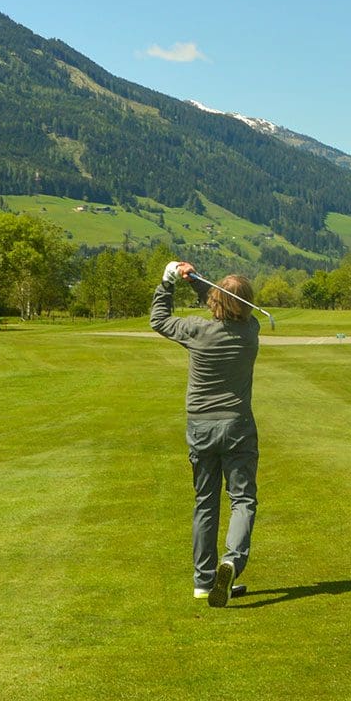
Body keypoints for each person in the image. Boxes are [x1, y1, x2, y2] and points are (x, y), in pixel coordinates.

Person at [151, 260, 261, 607]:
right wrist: (198, 281)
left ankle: (203, 581)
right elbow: (229, 306)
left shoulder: (197, 330)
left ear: (214, 302)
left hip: (200, 425)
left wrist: (170, 281)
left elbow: (159, 320)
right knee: (242, 500)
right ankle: (231, 562)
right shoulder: (251, 330)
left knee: (205, 502)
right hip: (238, 425)